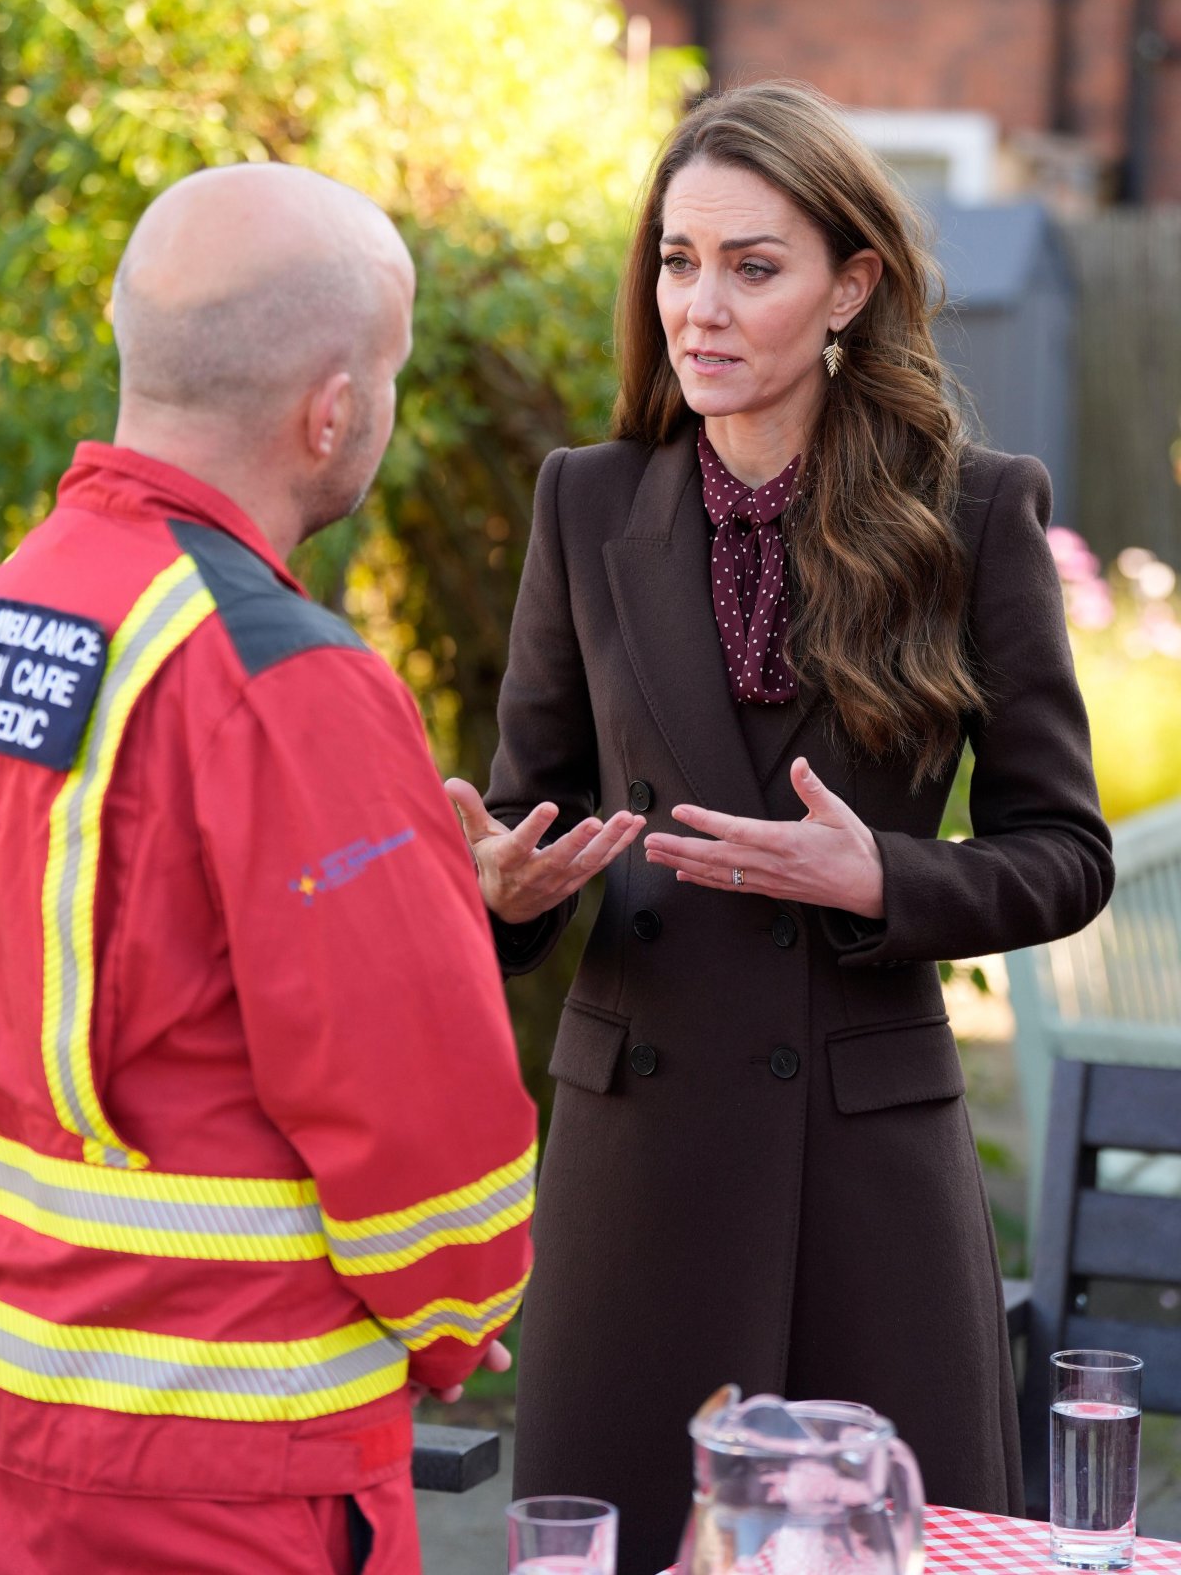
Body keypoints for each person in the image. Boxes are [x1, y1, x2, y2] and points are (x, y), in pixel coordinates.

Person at [447, 81, 1115, 1575]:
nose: (700, 303)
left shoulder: (973, 513)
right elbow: (526, 810)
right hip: (639, 1162)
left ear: (850, 288)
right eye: (678, 262)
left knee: (895, 1552)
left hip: (864, 1167)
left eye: (753, 266)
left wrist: (883, 877)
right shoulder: (584, 505)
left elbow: (1066, 852)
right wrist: (501, 886)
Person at [0, 163, 536, 1575]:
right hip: (229, 1472)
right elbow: (432, 1162)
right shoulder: (287, 680)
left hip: (15, 1435)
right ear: (332, 408)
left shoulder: (10, 619)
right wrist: (464, 1315)